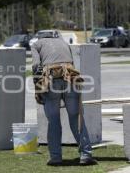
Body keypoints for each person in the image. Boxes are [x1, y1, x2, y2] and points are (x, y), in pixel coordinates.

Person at [31, 35, 97, 166]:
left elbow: (36, 65)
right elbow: (70, 62)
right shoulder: (63, 42)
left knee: (54, 120)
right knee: (76, 118)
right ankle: (86, 155)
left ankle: (56, 158)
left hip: (51, 80)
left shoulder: (37, 44)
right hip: (70, 78)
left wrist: (37, 85)